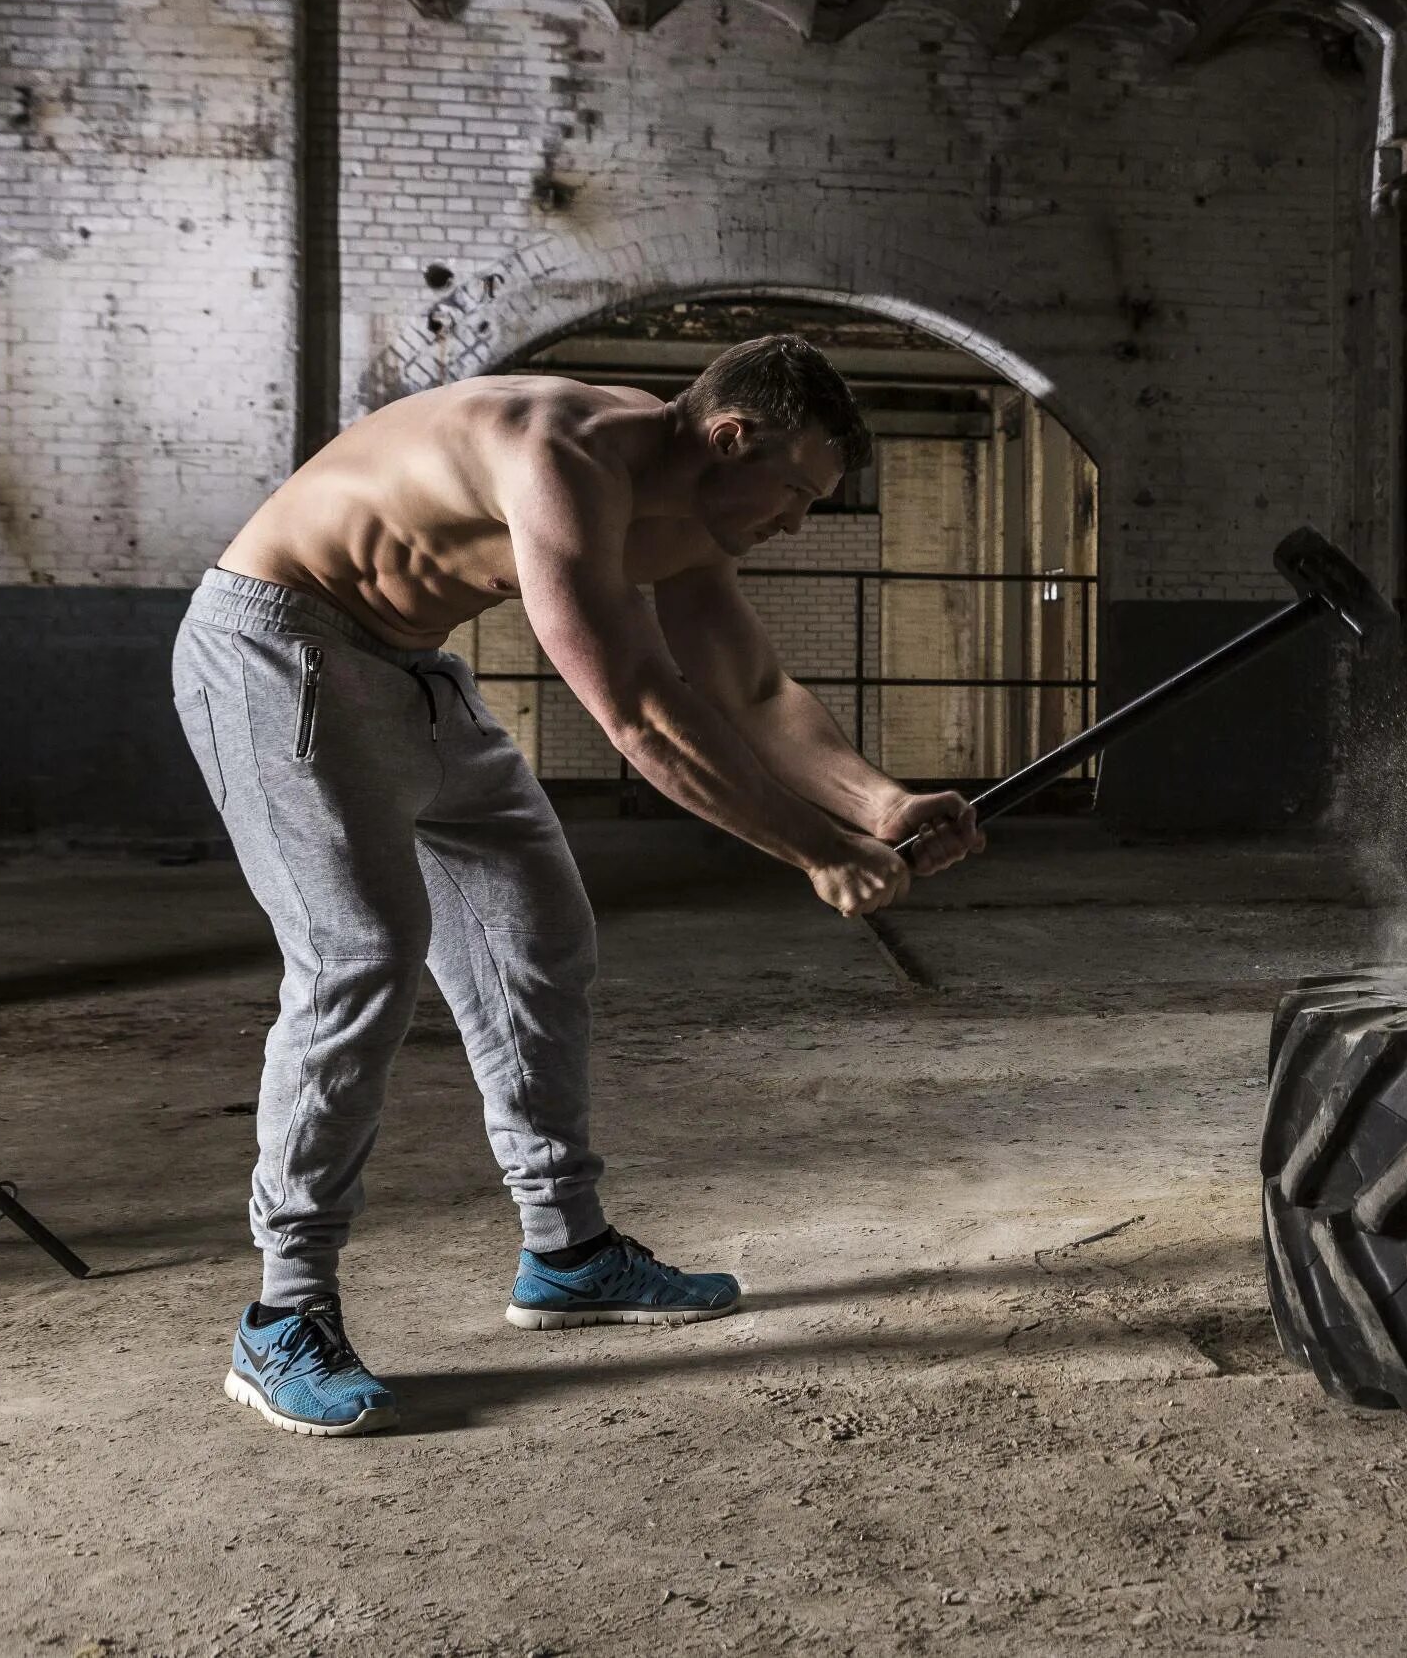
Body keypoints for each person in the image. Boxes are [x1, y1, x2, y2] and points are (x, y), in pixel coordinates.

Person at [171, 333, 983, 1437]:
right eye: (796, 492)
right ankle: (284, 1312)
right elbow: (639, 707)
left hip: (411, 670)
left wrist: (878, 807)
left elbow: (750, 686)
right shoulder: (561, 454)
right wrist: (814, 849)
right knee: (358, 956)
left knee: (535, 933)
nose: (798, 521)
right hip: (281, 651)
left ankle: (568, 1253)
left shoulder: (689, 509)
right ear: (731, 437)